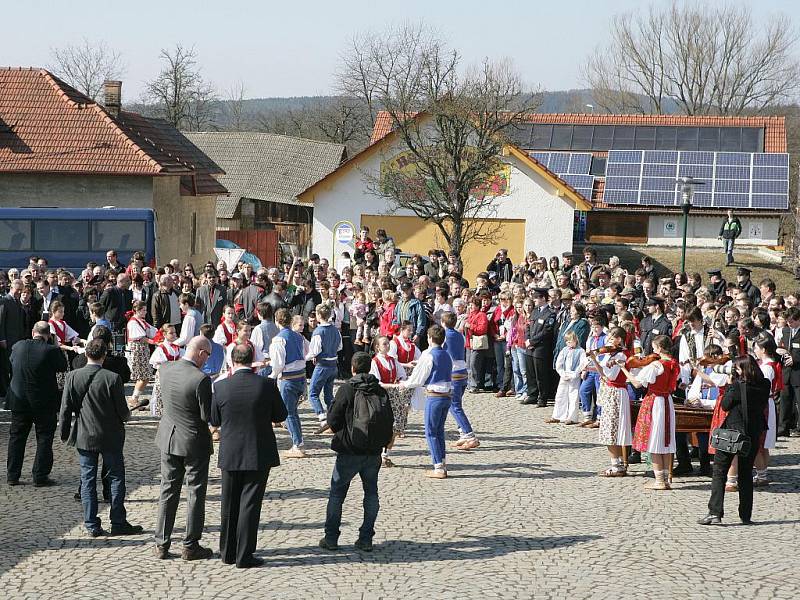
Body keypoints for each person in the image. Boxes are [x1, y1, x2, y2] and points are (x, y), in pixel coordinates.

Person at [210, 343, 287, 568]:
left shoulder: (221, 386)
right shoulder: (266, 385)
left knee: (229, 504)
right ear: (252, 360)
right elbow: (280, 414)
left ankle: (227, 552)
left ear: (233, 361)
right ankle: (244, 555)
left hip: (231, 450)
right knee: (250, 504)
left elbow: (214, 420)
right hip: (257, 450)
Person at [59, 338, 142, 537]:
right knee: (115, 477)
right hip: (111, 436)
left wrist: (63, 434)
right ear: (104, 355)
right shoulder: (112, 378)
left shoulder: (72, 376)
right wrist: (127, 416)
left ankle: (91, 524)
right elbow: (122, 412)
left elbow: (65, 409)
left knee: (87, 479)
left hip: (85, 435)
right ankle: (118, 521)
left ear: (86, 354)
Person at [319, 352, 390, 552]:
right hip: (373, 451)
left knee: (337, 494)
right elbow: (389, 420)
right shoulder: (380, 390)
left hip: (349, 449)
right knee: (371, 493)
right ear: (369, 368)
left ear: (352, 368)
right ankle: (366, 538)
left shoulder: (347, 388)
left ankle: (331, 538)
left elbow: (332, 419)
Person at [153, 336, 215, 561]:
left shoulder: (166, 368)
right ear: (201, 353)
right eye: (207, 356)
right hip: (193, 442)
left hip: (168, 438)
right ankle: (190, 544)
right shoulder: (201, 379)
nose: (207, 360)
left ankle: (161, 542)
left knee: (167, 490)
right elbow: (206, 415)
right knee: (195, 492)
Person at [699, 355, 769, 525]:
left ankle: (715, 513)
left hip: (731, 434)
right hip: (752, 433)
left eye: (737, 368)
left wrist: (731, 384)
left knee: (719, 471)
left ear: (742, 369)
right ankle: (746, 515)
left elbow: (725, 405)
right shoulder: (765, 384)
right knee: (745, 473)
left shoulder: (737, 386)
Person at [6, 321, 68, 486]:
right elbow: (62, 366)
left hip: (19, 400)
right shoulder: (51, 350)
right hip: (43, 401)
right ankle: (40, 475)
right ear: (48, 335)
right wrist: (55, 346)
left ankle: (12, 475)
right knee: (44, 437)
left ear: (33, 332)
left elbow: (12, 362)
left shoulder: (18, 346)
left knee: (17, 437)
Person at [623, 335, 680, 490]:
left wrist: (624, 369)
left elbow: (637, 383)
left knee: (655, 439)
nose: (653, 351)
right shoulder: (674, 363)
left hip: (655, 401)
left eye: (654, 348)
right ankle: (666, 478)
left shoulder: (656, 365)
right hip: (667, 400)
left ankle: (660, 480)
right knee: (666, 440)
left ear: (660, 348)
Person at [399, 325, 453, 479]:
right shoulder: (446, 354)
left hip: (435, 396)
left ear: (430, 339)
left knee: (431, 431)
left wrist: (405, 384)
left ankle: (438, 467)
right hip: (446, 396)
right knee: (439, 431)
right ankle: (442, 461)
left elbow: (418, 378)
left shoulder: (429, 355)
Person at [441, 312, 479, 449]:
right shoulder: (459, 335)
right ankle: (462, 432)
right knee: (456, 405)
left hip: (454, 373)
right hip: (463, 372)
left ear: (443, 323)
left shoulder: (444, 336)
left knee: (454, 406)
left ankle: (469, 434)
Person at [306, 304, 343, 433]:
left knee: (313, 393)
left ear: (318, 316)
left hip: (322, 365)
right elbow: (339, 347)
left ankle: (322, 418)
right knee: (328, 394)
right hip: (333, 365)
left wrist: (303, 358)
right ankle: (335, 418)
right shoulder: (335, 330)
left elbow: (314, 351)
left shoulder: (318, 331)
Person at [547, 331, 585, 426]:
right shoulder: (564, 350)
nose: (569, 343)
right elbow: (559, 363)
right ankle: (558, 415)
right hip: (564, 375)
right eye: (567, 342)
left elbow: (582, 364)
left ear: (575, 340)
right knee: (560, 395)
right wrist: (562, 373)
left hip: (573, 375)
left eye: (571, 341)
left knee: (573, 396)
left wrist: (575, 374)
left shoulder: (580, 351)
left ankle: (572, 417)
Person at [125, 300, 156, 409]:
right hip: (138, 350)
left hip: (143, 350)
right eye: (143, 310)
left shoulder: (141, 321)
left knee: (145, 376)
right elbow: (141, 337)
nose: (145, 312)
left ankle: (135, 398)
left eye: (145, 310)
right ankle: (133, 398)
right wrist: (154, 341)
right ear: (136, 310)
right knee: (143, 376)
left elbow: (152, 331)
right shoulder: (133, 322)